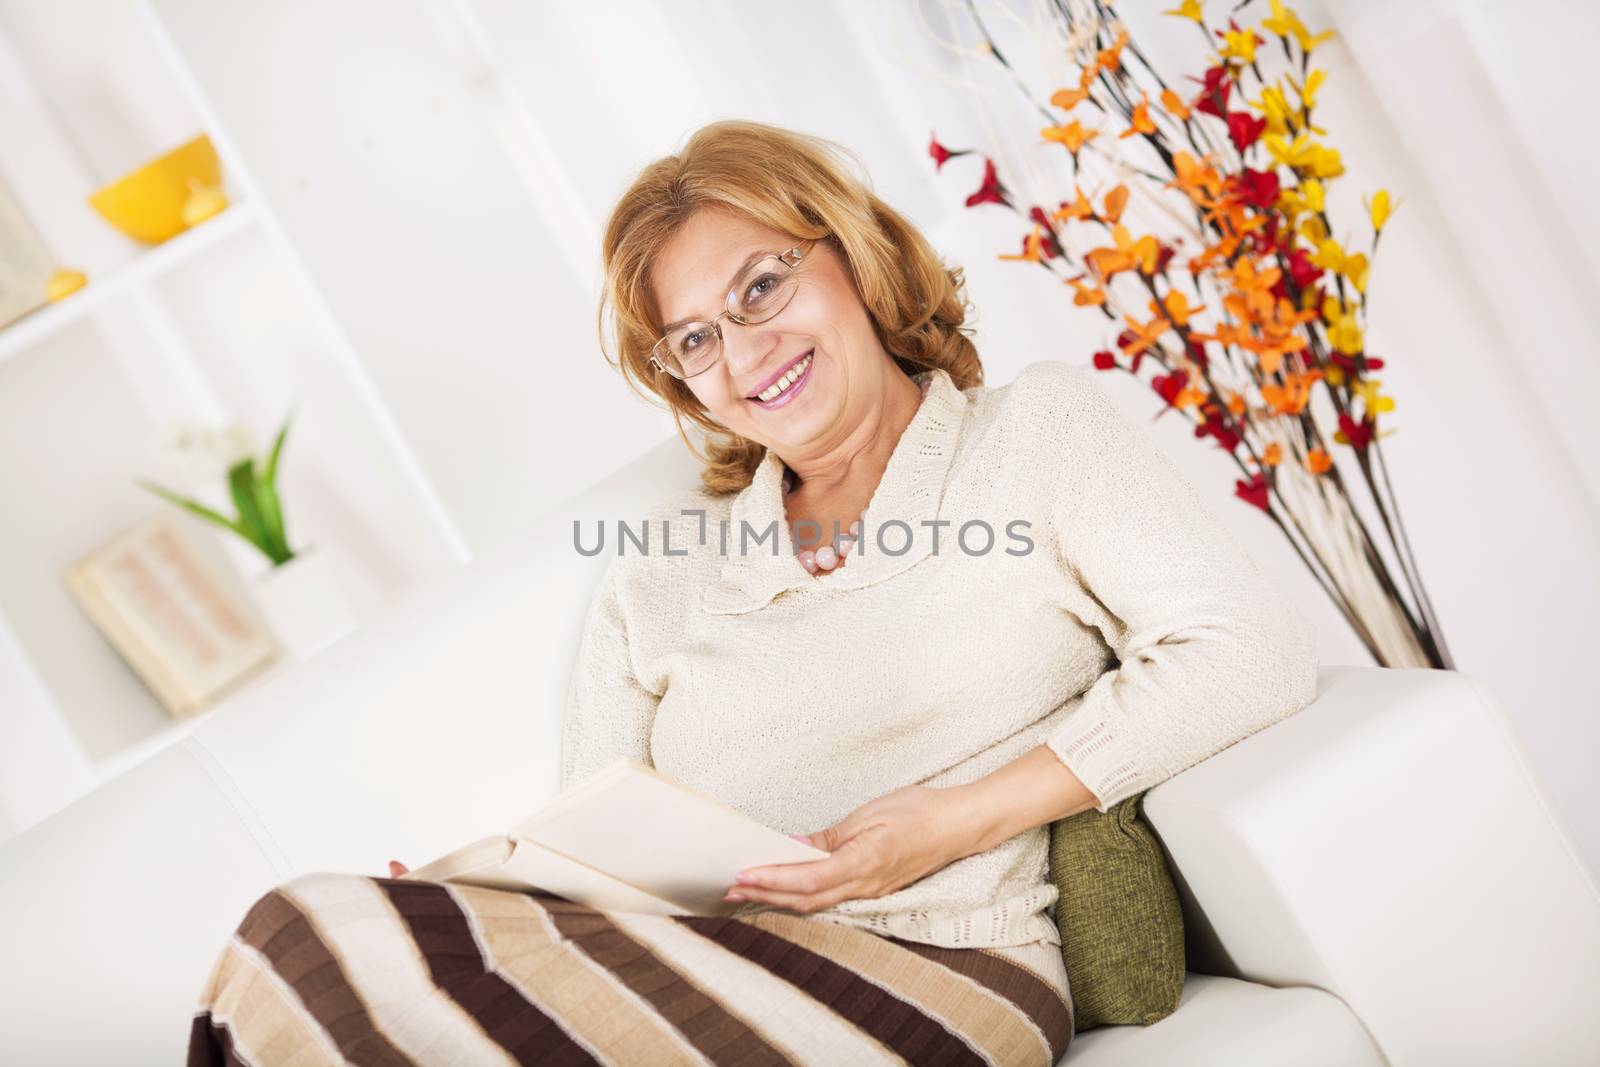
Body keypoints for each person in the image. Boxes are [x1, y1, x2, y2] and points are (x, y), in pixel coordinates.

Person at [187, 119, 1319, 1066]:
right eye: (696, 338)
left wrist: (955, 817)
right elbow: (600, 857)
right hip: (690, 961)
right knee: (306, 930)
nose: (745, 349)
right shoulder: (657, 581)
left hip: (938, 963)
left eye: (762, 284)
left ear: (853, 254)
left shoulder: (1032, 437)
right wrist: (473, 898)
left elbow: (1247, 647)